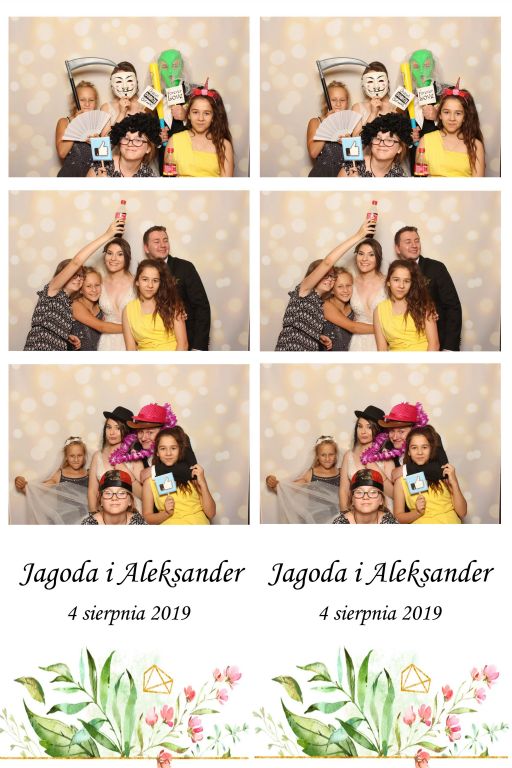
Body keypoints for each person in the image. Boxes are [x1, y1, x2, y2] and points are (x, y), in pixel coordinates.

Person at [24, 219, 124, 351]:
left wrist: (66, 336)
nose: (78, 278)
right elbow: (77, 261)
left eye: (80, 276)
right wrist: (107, 235)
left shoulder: (67, 304)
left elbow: (50, 325)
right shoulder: (51, 291)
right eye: (73, 275)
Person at [275, 218, 374, 351]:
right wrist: (358, 235)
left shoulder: (318, 304)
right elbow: (328, 262)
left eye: (332, 276)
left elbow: (301, 325)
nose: (329, 279)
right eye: (324, 275)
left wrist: (317, 336)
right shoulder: (303, 291)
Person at [393, 226, 462, 351]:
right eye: (408, 242)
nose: (414, 245)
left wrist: (449, 348)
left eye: (417, 241)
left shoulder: (436, 268)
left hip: (438, 343)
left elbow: (453, 307)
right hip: (406, 345)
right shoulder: (394, 274)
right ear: (397, 248)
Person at [143, 226, 211, 350]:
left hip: (188, 342)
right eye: (157, 241)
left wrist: (198, 347)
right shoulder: (143, 273)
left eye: (165, 240)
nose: (162, 245)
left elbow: (202, 307)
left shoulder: (185, 267)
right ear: (146, 248)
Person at [393, 426, 467, 524]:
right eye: (414, 448)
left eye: (424, 447)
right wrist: (417, 512)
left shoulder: (444, 475)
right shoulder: (401, 481)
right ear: (409, 452)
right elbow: (398, 518)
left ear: (431, 449)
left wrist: (455, 484)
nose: (420, 452)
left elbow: (462, 512)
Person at [142, 427, 215, 525]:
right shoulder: (149, 482)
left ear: (180, 450)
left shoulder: (193, 476)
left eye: (173, 448)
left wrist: (203, 484)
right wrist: (166, 513)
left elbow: (211, 513)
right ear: (157, 453)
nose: (168, 453)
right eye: (163, 449)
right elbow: (147, 518)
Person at [415, 83, 485, 177]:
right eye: (446, 112)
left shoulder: (475, 146)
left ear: (465, 117)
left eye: (458, 113)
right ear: (440, 115)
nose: (452, 118)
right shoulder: (425, 141)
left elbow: (478, 184)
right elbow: (420, 178)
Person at [167, 82, 234, 176]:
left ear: (213, 117)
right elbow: (169, 179)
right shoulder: (174, 141)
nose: (200, 118)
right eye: (195, 112)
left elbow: (226, 183)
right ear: (188, 115)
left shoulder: (224, 145)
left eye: (206, 113)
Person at [374, 259, 440, 351]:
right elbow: (382, 349)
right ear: (388, 281)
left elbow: (434, 344)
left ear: (411, 283)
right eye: (396, 280)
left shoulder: (423, 305)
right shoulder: (379, 310)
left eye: (406, 281)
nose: (401, 285)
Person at [122, 259, 188, 351]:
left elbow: (183, 345)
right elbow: (131, 349)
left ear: (160, 283)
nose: (150, 285)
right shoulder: (128, 310)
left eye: (155, 280)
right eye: (145, 279)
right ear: (137, 281)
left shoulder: (171, 305)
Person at [339, 406, 394, 513]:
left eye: (369, 427)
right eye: (360, 426)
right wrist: (345, 516)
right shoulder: (348, 455)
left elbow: (394, 494)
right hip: (356, 514)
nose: (363, 431)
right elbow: (344, 490)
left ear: (378, 429)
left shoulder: (386, 456)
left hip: (383, 514)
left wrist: (376, 469)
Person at [87, 407, 143, 514]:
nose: (112, 432)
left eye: (118, 428)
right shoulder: (97, 456)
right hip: (105, 515)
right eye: (109, 427)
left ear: (126, 430)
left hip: (133, 515)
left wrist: (127, 472)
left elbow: (144, 496)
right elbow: (92, 490)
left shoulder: (134, 457)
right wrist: (94, 515)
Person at [307, 81, 359, 177]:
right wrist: (327, 125)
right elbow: (313, 153)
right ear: (326, 102)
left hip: (345, 177)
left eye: (342, 100)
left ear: (347, 102)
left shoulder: (353, 124)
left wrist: (349, 143)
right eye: (333, 100)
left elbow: (356, 159)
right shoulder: (316, 122)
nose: (338, 104)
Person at [56, 80, 104, 177]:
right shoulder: (64, 122)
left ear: (95, 102)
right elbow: (62, 153)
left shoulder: (100, 124)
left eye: (91, 100)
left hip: (92, 178)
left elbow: (104, 159)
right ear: (75, 102)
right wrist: (76, 124)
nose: (87, 104)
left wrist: (97, 143)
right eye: (82, 100)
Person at [87, 113, 160, 177]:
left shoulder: (150, 177)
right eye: (126, 138)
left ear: (148, 148)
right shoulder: (100, 169)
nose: (130, 144)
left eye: (138, 140)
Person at [338, 113, 411, 177]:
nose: (381, 144)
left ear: (400, 148)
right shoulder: (352, 168)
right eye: (378, 138)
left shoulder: (400, 177)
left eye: (389, 140)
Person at [69, 267, 123, 351]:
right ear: (81, 290)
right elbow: (101, 326)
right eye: (88, 286)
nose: (94, 290)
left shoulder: (102, 306)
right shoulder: (75, 305)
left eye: (97, 285)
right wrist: (132, 328)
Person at [321, 267, 374, 351]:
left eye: (348, 285)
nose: (345, 290)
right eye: (340, 286)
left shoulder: (354, 308)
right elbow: (353, 327)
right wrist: (384, 329)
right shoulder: (325, 305)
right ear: (332, 290)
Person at [347, 239, 386, 351]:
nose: (364, 259)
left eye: (371, 255)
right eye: (361, 254)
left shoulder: (389, 283)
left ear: (378, 258)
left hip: (385, 340)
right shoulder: (350, 283)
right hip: (357, 343)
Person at [97, 237, 135, 352]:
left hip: (134, 341)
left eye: (120, 254)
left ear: (127, 257)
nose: (113, 258)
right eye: (109, 253)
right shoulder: (98, 284)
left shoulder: (138, 283)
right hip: (106, 343)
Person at [15, 436, 89, 494]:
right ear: (66, 456)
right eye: (72, 456)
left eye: (79, 455)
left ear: (84, 455)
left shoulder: (89, 474)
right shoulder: (59, 475)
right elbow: (37, 491)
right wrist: (21, 485)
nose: (76, 459)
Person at [266, 435, 340, 492]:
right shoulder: (310, 474)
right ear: (317, 456)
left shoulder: (341, 473)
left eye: (331, 454)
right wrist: (273, 483)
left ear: (336, 454)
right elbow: (288, 490)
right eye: (323, 455)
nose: (327, 459)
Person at [82, 470, 147, 525]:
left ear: (130, 500)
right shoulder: (88, 524)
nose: (114, 498)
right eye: (108, 493)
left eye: (121, 493)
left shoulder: (139, 522)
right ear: (100, 500)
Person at [333, 469, 397, 524]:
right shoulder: (340, 522)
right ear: (352, 500)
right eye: (359, 492)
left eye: (373, 492)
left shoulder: (390, 522)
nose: (365, 497)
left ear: (381, 500)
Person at [352, 62, 396, 127]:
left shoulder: (396, 106)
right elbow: (356, 134)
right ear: (363, 85)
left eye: (380, 80)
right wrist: (373, 114)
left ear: (387, 81)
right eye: (370, 81)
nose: (376, 86)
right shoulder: (358, 108)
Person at [101, 61, 145, 126]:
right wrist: (122, 113)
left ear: (136, 82)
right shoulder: (106, 108)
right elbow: (107, 133)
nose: (125, 87)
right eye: (119, 81)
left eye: (129, 80)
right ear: (112, 85)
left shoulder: (145, 105)